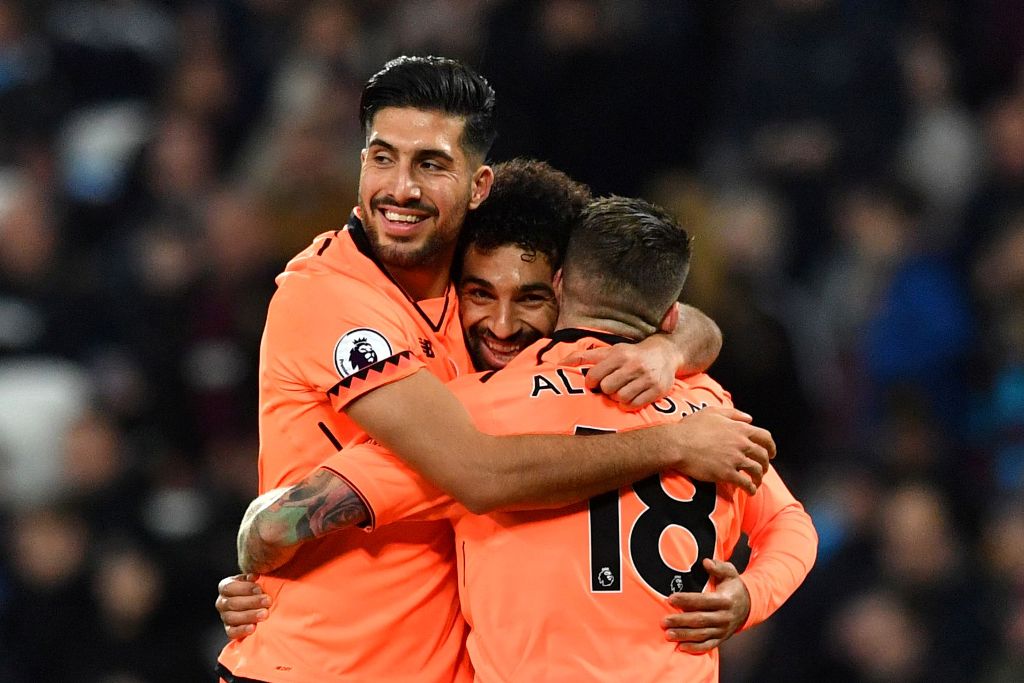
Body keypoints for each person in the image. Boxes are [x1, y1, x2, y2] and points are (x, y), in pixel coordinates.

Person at [216, 55, 776, 683]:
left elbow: (661, 307)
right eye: (383, 158)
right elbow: (478, 474)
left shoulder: (476, 274)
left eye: (431, 164)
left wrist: (668, 349)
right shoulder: (330, 298)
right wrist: (671, 443)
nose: (401, 188)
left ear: (477, 186)